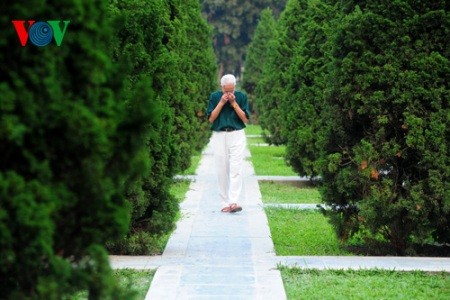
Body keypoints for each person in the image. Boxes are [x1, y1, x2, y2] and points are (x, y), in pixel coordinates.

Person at [207, 74, 251, 213]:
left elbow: (245, 119)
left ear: (234, 87)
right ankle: (224, 202)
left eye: (231, 90)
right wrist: (221, 102)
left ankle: (233, 201)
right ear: (222, 88)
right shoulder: (214, 97)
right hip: (220, 135)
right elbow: (211, 118)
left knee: (236, 168)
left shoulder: (241, 96)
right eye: (226, 91)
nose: (229, 93)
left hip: (237, 134)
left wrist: (233, 103)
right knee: (222, 170)